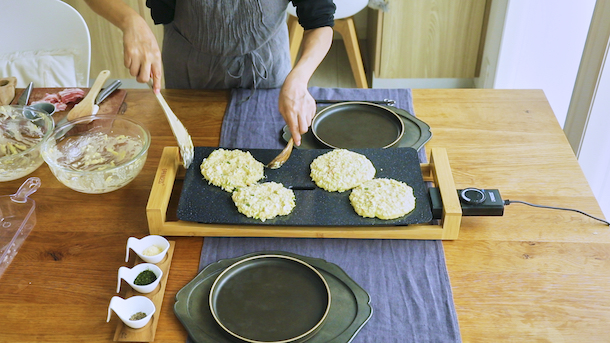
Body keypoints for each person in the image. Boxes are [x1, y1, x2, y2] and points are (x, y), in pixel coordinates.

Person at [83, 0, 336, 146]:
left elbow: (320, 22)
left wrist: (300, 77)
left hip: (267, 69)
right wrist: (131, 21)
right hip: (188, 66)